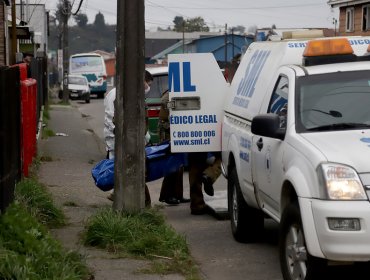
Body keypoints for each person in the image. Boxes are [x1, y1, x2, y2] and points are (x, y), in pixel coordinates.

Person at [103, 71, 153, 206]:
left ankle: (119, 195)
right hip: (119, 138)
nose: (147, 88)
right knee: (127, 168)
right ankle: (126, 199)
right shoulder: (119, 94)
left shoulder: (120, 93)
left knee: (121, 168)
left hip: (118, 138)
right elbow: (114, 119)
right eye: (146, 84)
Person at [157, 90, 190, 205]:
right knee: (171, 164)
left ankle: (177, 194)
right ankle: (167, 195)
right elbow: (164, 101)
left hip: (175, 130)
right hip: (167, 131)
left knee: (179, 165)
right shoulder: (172, 91)